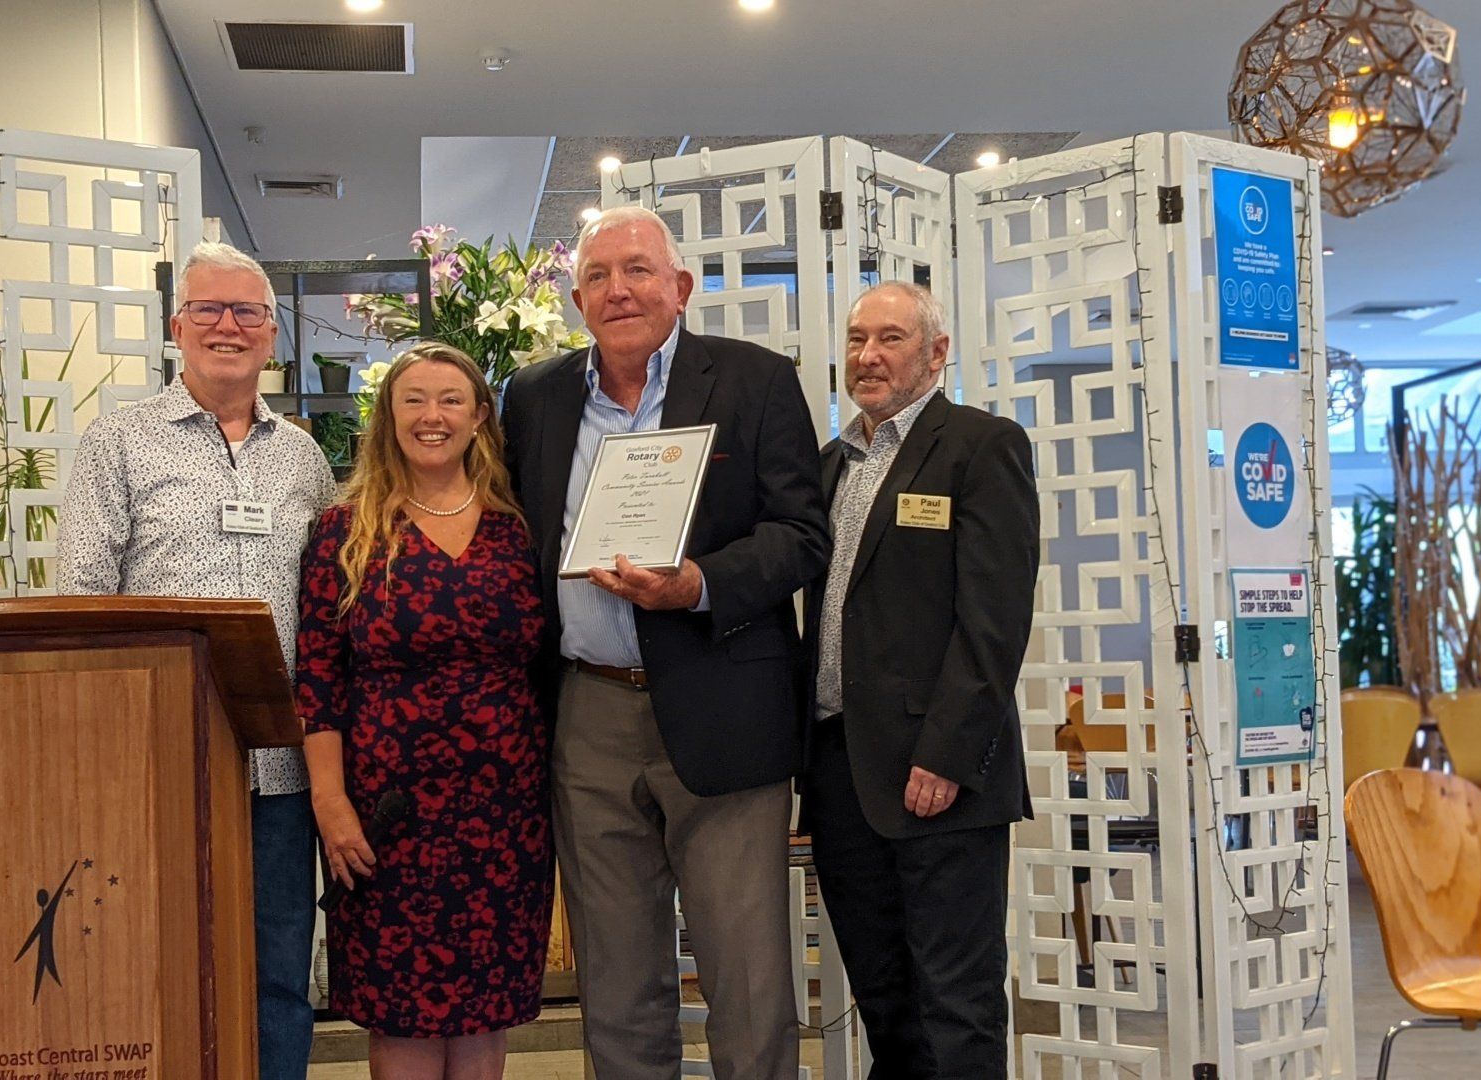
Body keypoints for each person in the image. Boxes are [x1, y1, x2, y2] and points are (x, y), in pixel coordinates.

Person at [501, 205, 828, 1078]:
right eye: (600, 276)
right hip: (589, 713)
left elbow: (802, 533)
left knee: (749, 978)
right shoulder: (534, 397)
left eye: (639, 270)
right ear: (577, 300)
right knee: (616, 978)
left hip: (725, 707)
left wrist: (699, 584)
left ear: (680, 288)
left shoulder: (755, 381)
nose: (619, 290)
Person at [56, 241, 335, 1080]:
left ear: (272, 334)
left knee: (279, 977)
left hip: (281, 771)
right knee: (156, 967)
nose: (227, 326)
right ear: (177, 326)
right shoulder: (119, 444)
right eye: (208, 309)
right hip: (160, 764)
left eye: (247, 311)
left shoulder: (304, 457)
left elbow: (329, 602)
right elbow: (82, 604)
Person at [295, 342, 552, 1080]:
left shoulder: (519, 527)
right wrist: (330, 801)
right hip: (389, 814)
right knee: (402, 1011)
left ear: (479, 418)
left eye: (449, 400)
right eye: (413, 400)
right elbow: (318, 677)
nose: (431, 416)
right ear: (388, 417)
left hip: (505, 812)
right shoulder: (344, 532)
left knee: (484, 1011)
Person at [800, 281, 1038, 1077]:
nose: (868, 356)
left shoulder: (980, 446)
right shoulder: (830, 465)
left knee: (956, 1003)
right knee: (886, 1000)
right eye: (858, 339)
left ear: (936, 353)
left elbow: (993, 623)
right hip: (842, 772)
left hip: (937, 774)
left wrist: (945, 754)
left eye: (891, 339)